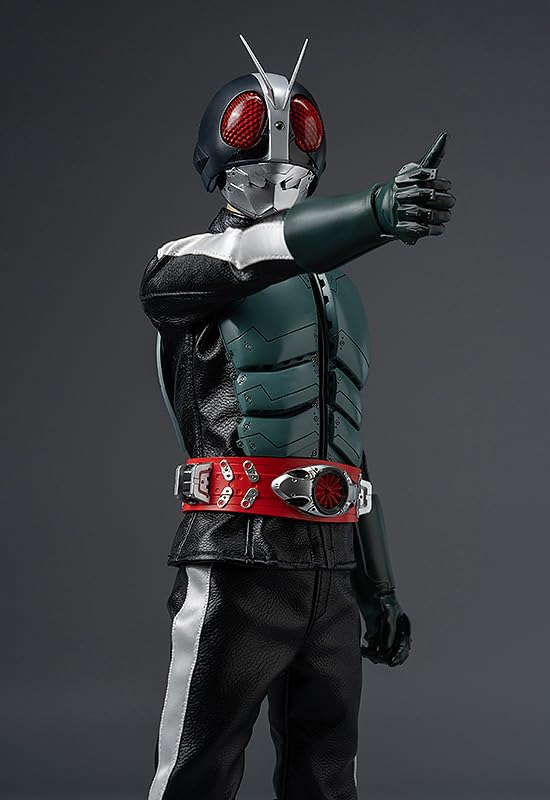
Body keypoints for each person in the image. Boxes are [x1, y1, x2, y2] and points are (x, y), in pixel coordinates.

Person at [140, 35, 455, 800]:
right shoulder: (185, 267)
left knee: (328, 776)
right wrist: (377, 210)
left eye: (290, 171)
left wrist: (379, 586)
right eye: (252, 169)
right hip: (237, 556)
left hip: (331, 565)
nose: (275, 181)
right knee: (197, 772)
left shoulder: (337, 293)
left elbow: (348, 446)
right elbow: (257, 252)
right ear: (214, 165)